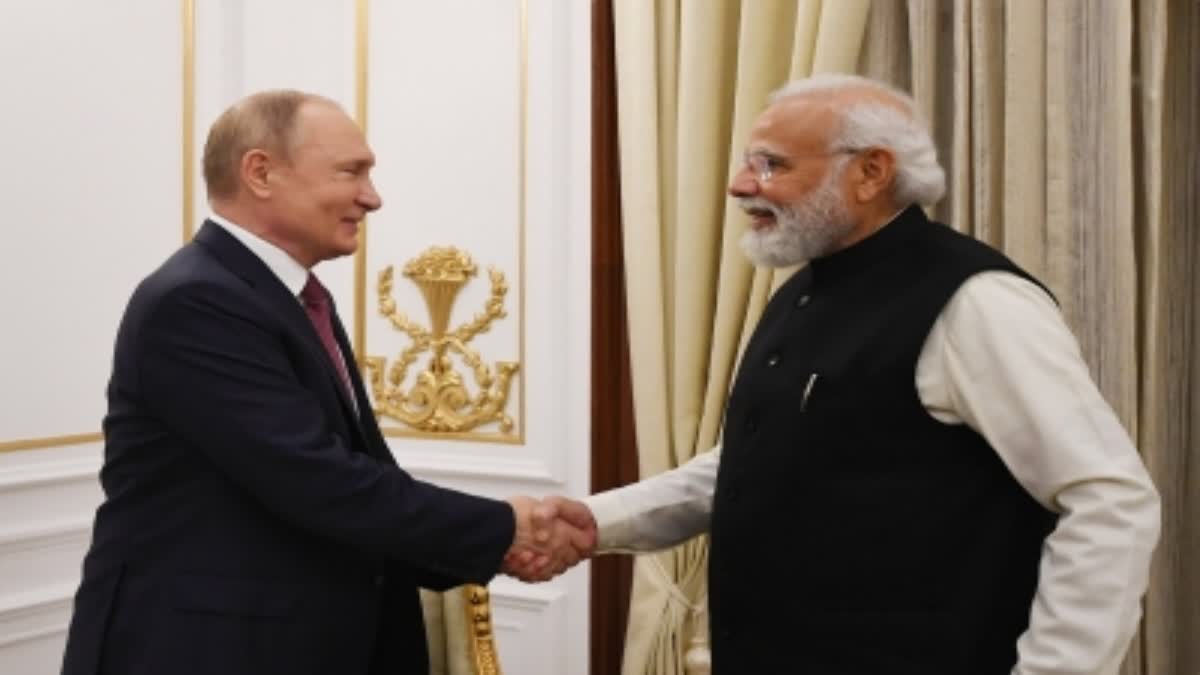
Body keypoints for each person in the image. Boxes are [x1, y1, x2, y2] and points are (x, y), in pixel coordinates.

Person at [528, 74, 1161, 674]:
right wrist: (595, 521)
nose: (740, 185)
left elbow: (1108, 500)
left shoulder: (976, 301)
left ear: (870, 172)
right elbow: (760, 462)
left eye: (772, 163)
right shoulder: (801, 290)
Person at [60, 90, 589, 675]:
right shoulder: (196, 301)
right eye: (351, 171)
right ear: (260, 172)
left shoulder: (290, 295)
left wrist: (491, 543)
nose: (372, 197)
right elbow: (317, 481)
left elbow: (357, 479)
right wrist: (506, 527)